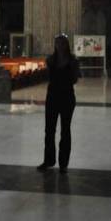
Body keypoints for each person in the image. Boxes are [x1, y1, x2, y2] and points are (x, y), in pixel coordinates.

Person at [37, 34, 80, 174]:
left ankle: (63, 163)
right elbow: (46, 77)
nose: (60, 46)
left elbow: (75, 79)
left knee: (65, 130)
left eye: (62, 43)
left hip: (67, 97)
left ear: (66, 45)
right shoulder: (50, 60)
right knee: (49, 130)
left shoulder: (73, 60)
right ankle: (48, 160)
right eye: (57, 43)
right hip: (53, 97)